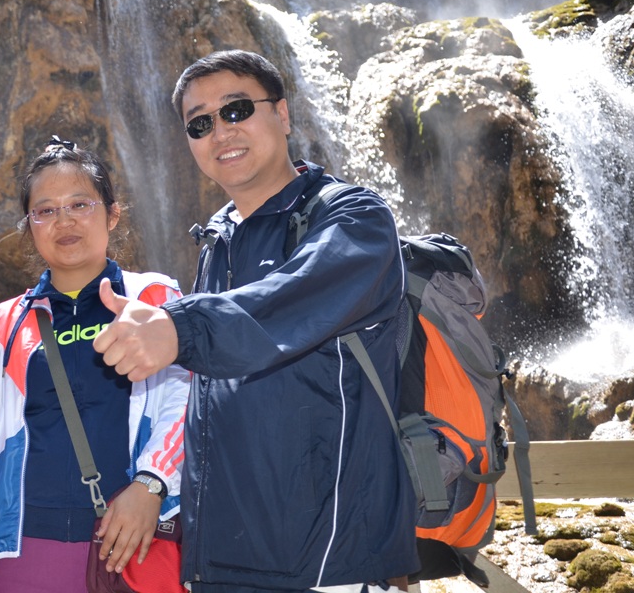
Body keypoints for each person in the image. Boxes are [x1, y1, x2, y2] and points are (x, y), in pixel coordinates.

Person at [94, 50, 419, 593]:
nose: (220, 131)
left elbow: (288, 301)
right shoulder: (217, 239)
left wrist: (178, 328)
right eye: (200, 124)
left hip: (330, 562)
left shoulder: (354, 217)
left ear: (282, 114)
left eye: (236, 109)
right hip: (221, 563)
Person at [0, 138, 190, 593]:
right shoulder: (4, 322)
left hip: (133, 538)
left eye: (80, 204)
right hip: (24, 547)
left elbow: (185, 397)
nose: (64, 221)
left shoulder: (153, 297)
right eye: (46, 210)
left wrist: (151, 484)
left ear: (112, 214)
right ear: (30, 226)